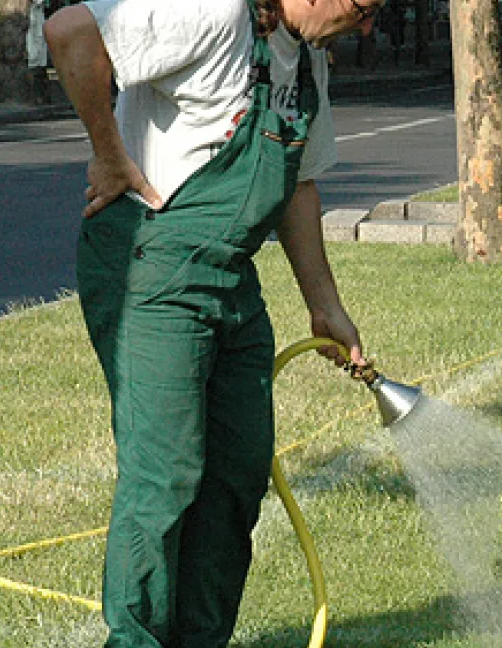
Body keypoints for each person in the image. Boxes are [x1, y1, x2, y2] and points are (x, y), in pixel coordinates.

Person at [42, 0, 381, 645]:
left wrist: (325, 306)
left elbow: (298, 184)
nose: (365, 27)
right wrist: (110, 154)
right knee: (165, 473)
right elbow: (70, 31)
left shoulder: (305, 59)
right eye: (361, 8)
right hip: (153, 264)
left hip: (229, 274)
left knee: (238, 470)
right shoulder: (217, 13)